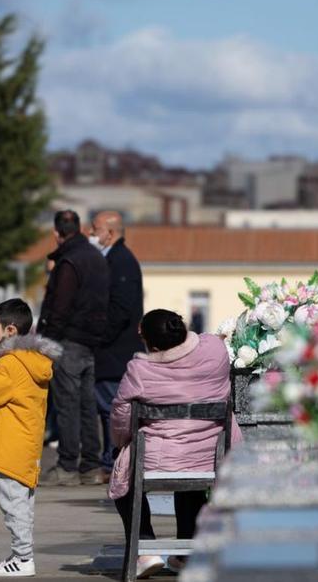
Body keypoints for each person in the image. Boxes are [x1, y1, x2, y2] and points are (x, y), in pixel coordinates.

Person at [109, 309, 243, 579]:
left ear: (152, 345)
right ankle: (184, 555)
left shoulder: (141, 369)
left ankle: (144, 549)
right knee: (190, 468)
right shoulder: (215, 350)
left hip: (159, 456)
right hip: (211, 453)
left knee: (122, 465)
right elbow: (207, 339)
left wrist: (122, 443)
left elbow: (121, 418)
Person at [0, 299, 58, 578]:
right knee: (21, 502)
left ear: (9, 331)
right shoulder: (32, 360)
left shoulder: (11, 364)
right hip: (24, 442)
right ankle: (21, 554)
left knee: (13, 504)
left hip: (10, 443)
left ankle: (23, 558)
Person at [37, 210, 109, 487]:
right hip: (91, 341)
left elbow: (60, 308)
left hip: (68, 341)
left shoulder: (68, 262)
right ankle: (90, 465)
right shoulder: (96, 258)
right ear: (78, 228)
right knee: (86, 405)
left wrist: (46, 341)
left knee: (67, 405)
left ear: (56, 233)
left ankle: (67, 465)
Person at [90, 211, 144, 483]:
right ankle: (110, 462)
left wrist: (97, 336)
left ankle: (113, 464)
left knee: (113, 411)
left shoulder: (121, 262)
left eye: (95, 229)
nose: (92, 234)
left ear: (110, 233)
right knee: (107, 410)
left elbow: (120, 309)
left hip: (114, 352)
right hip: (110, 351)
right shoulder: (113, 259)